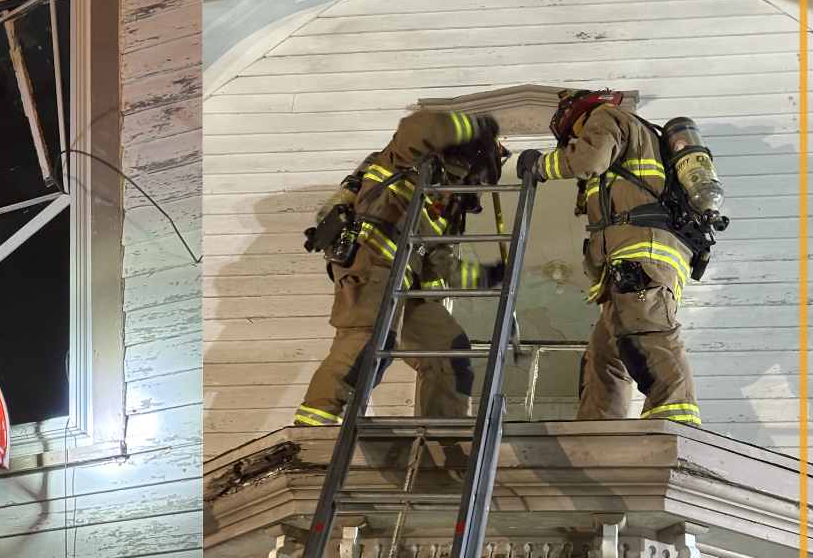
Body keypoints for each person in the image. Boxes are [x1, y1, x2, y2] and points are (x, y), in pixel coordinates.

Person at [295, 110, 506, 427]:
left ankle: (440, 437)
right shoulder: (404, 162)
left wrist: (485, 276)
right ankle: (312, 431)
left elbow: (432, 255)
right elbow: (420, 125)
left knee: (449, 352)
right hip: (370, 261)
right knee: (367, 340)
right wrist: (476, 125)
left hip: (405, 282)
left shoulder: (444, 204)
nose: (477, 183)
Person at [516, 89, 700, 426]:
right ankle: (596, 431)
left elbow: (589, 160)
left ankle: (678, 425)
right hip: (631, 263)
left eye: (572, 137)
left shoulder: (607, 117)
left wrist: (540, 165)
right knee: (604, 356)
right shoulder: (633, 145)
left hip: (641, 255)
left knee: (646, 333)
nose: (573, 142)